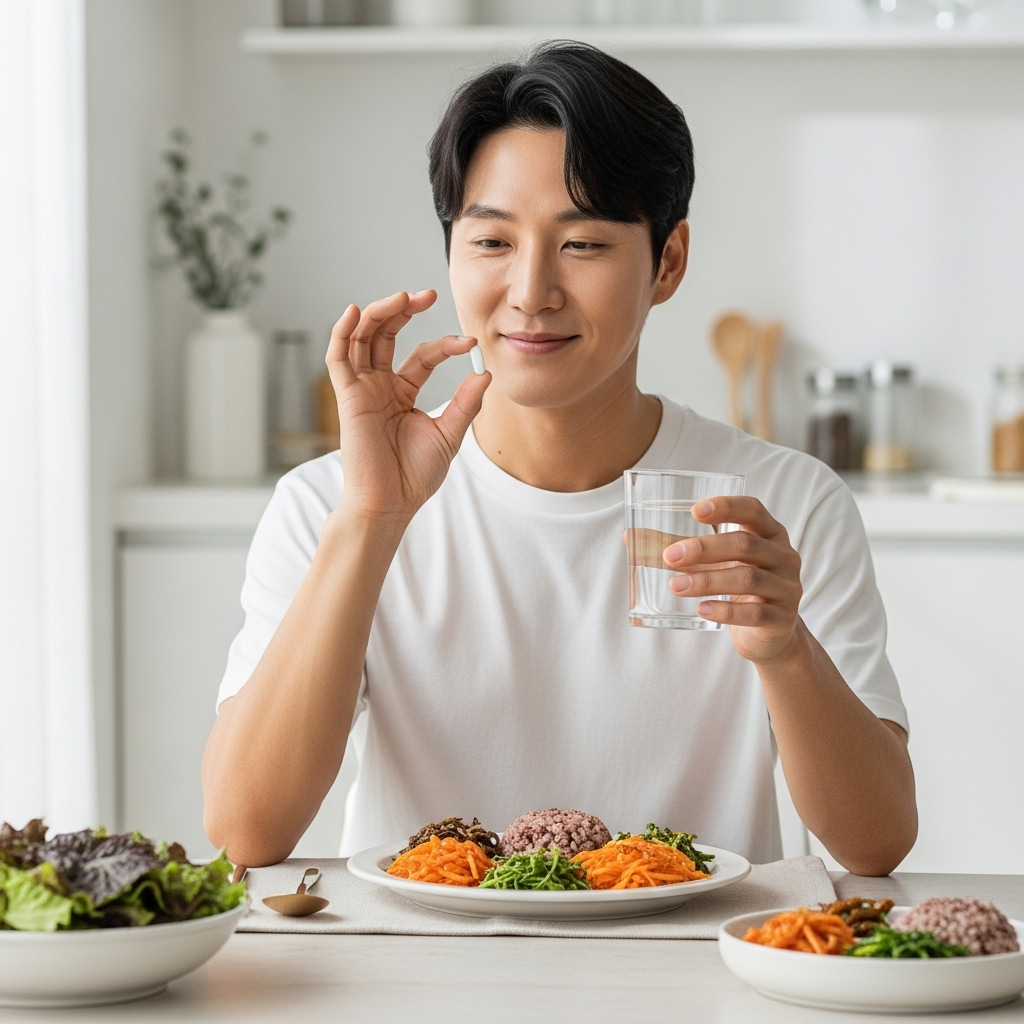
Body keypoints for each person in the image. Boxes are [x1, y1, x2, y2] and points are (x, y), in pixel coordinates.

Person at [202, 42, 916, 875]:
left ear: (668, 263)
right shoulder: (330, 502)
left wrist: (786, 647)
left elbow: (875, 844)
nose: (531, 291)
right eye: (493, 242)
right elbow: (242, 834)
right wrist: (371, 519)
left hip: (690, 990)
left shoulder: (781, 502)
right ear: (452, 256)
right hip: (421, 982)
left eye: (582, 245)